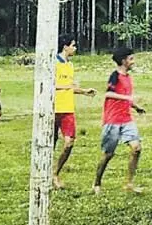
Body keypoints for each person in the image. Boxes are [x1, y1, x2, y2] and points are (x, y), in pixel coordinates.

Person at [94, 47, 146, 194]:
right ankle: (97, 182)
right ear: (123, 61)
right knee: (108, 154)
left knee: (136, 148)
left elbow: (126, 97)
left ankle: (129, 183)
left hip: (126, 119)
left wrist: (136, 107)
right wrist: (128, 98)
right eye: (131, 59)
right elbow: (109, 94)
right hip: (112, 120)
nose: (133, 62)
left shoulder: (128, 78)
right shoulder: (114, 76)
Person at [53, 34, 97, 189]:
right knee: (50, 143)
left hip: (67, 109)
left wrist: (84, 91)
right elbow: (51, 85)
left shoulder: (70, 65)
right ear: (65, 46)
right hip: (53, 108)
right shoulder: (53, 63)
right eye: (73, 45)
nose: (75, 48)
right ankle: (43, 174)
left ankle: (55, 173)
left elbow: (70, 86)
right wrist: (67, 87)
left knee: (69, 143)